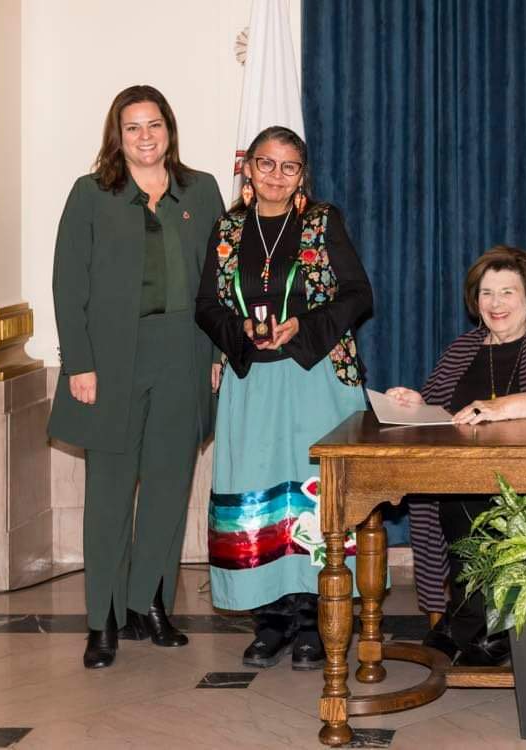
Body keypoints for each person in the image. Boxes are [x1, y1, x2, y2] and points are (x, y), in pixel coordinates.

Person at [47, 85, 225, 669]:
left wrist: (221, 353)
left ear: (169, 129)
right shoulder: (91, 194)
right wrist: (79, 364)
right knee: (109, 493)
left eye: (154, 125)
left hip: (186, 353)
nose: (145, 136)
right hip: (112, 359)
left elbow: (220, 282)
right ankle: (102, 620)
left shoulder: (201, 190)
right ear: (116, 136)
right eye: (132, 127)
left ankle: (149, 603)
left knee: (170, 488)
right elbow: (68, 286)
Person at [195, 126, 372, 671]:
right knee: (258, 497)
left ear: (302, 176)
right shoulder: (226, 230)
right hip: (253, 384)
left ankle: (317, 618)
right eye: (265, 164)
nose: (275, 175)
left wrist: (302, 326)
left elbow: (359, 295)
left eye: (288, 167)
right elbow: (206, 305)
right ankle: (269, 621)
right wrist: (239, 331)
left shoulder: (322, 222)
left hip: (316, 376)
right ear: (247, 169)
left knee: (314, 499)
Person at [389, 246, 526, 666]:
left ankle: (479, 620)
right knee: (454, 494)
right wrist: (414, 404)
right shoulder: (462, 348)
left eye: (507, 292)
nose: (496, 304)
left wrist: (504, 406)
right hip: (462, 473)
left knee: (472, 500)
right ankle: (473, 618)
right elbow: (438, 412)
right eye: (486, 293)